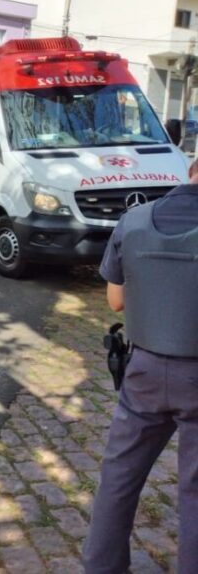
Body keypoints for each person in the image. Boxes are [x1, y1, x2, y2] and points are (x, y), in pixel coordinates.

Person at [82, 158, 198, 573]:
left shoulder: (134, 220)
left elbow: (116, 300)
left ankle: (101, 567)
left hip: (144, 369)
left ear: (191, 168)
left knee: (118, 478)